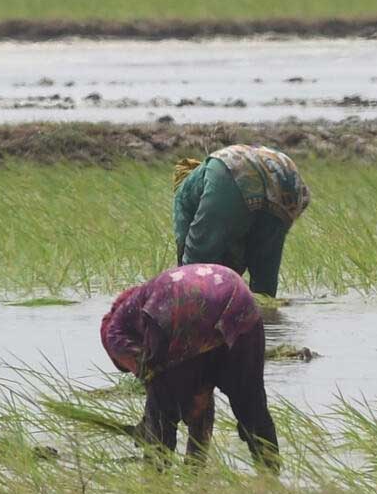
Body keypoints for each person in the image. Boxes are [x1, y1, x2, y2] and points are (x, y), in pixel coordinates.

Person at [100, 263, 280, 472]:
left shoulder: (113, 333)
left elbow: (154, 377)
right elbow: (200, 388)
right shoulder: (145, 300)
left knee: (162, 409)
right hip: (239, 298)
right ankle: (269, 478)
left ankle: (156, 483)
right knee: (251, 402)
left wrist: (149, 423)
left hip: (181, 303)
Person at [173, 144, 311, 297]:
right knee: (264, 279)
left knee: (196, 266)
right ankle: (267, 317)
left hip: (234, 170)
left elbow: (188, 252)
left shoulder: (183, 195)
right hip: (288, 178)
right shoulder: (204, 180)